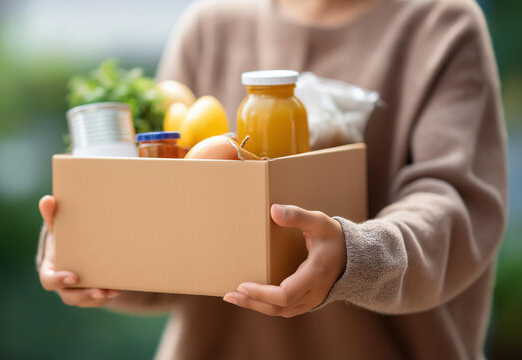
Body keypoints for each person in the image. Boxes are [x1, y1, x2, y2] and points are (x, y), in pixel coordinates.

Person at [36, 0, 508, 358]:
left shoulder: (442, 23)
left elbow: (453, 204)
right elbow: (169, 228)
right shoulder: (212, 25)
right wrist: (91, 251)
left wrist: (354, 256)